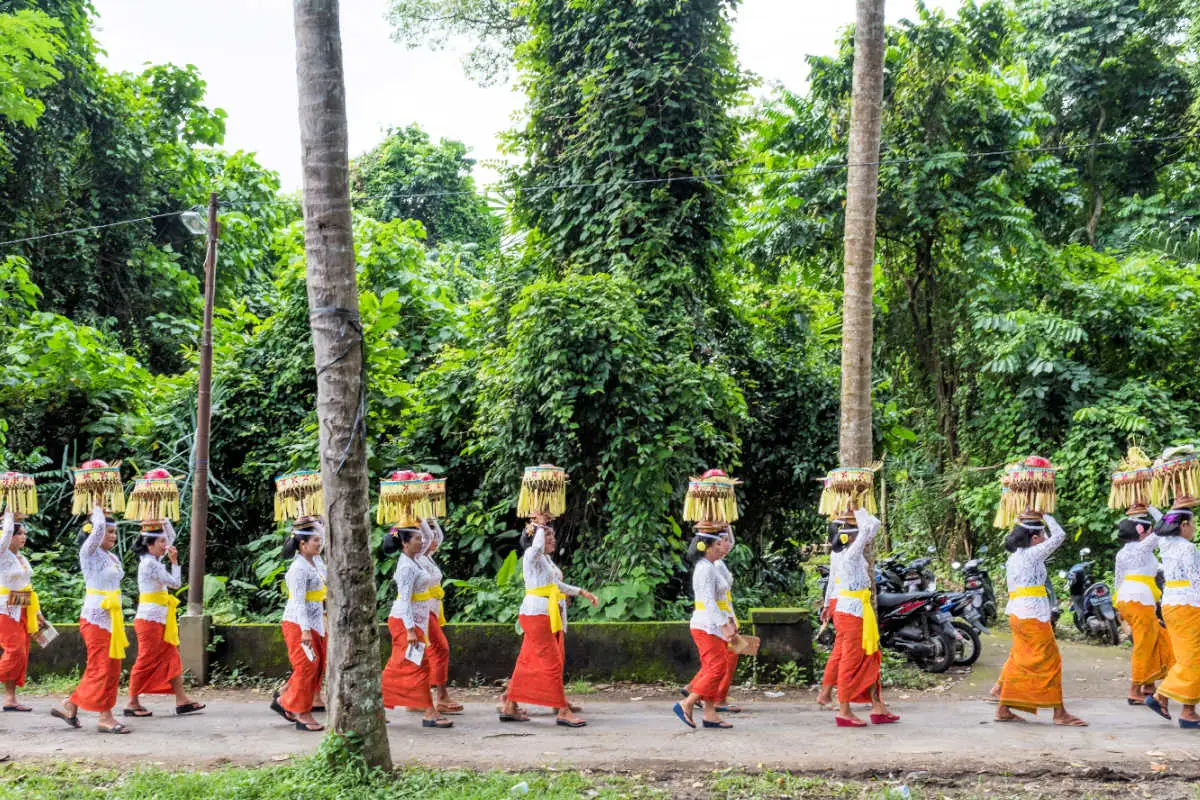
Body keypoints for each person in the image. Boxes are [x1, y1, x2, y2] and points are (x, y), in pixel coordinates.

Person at [500, 511, 598, 727]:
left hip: (545, 612)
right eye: (547, 536)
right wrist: (539, 524)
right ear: (537, 538)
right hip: (537, 614)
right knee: (552, 662)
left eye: (552, 535)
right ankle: (562, 710)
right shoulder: (531, 556)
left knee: (528, 660)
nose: (552, 539)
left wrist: (581, 592)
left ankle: (510, 704)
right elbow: (535, 548)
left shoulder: (544, 560)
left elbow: (556, 586)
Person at [994, 514, 1086, 726]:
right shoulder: (1032, 555)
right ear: (1034, 538)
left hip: (1018, 612)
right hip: (1031, 615)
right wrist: (1045, 514)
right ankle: (1059, 713)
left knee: (1021, 659)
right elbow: (1060, 535)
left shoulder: (1015, 556)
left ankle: (1003, 707)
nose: (1045, 537)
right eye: (1042, 534)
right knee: (1051, 661)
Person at [53, 507, 130, 734]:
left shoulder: (112, 557)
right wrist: (97, 508)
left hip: (112, 618)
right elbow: (96, 531)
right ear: (95, 532)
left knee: (111, 667)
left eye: (115, 533)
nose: (113, 536)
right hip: (95, 618)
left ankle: (72, 705)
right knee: (102, 667)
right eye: (108, 532)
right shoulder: (89, 552)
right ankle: (105, 717)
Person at [125, 520, 204, 717]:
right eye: (161, 542)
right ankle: (132, 702)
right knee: (145, 660)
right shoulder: (151, 564)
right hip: (149, 621)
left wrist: (162, 519)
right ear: (150, 545)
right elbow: (176, 583)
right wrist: (175, 562)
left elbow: (170, 537)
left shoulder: (153, 559)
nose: (165, 545)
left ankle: (181, 699)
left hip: (159, 619)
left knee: (172, 657)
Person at [829, 508, 896, 727]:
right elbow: (867, 528)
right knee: (851, 661)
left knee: (871, 658)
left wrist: (860, 507)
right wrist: (856, 507)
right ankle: (844, 710)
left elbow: (873, 525)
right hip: (852, 613)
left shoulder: (851, 553)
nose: (867, 540)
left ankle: (878, 706)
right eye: (862, 537)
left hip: (859, 611)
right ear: (854, 538)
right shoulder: (849, 555)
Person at [381, 525, 452, 728]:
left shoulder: (415, 561)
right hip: (405, 622)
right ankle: (429, 711)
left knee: (405, 665)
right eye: (417, 539)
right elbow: (404, 601)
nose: (422, 542)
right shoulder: (406, 567)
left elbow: (430, 537)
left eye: (421, 539)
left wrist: (419, 516)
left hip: (417, 620)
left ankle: (379, 706)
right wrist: (411, 630)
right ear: (404, 543)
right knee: (418, 665)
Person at [674, 525, 736, 729]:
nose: (723, 546)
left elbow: (720, 598)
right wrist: (724, 625)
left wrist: (728, 621)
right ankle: (688, 702)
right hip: (706, 625)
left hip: (713, 624)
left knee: (715, 667)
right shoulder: (704, 569)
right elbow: (709, 602)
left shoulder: (712, 566)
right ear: (708, 547)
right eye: (719, 543)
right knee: (717, 668)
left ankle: (710, 714)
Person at [1145, 508, 1200, 727]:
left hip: (1171, 604)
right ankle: (1162, 696)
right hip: (1189, 604)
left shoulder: (1165, 544)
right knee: (1193, 659)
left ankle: (1187, 710)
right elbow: (1196, 580)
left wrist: (1158, 506)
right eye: (1193, 523)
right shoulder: (1188, 548)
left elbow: (1162, 522)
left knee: (1187, 657)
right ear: (1183, 525)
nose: (1195, 528)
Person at [271, 517, 326, 732]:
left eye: (319, 540)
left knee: (317, 665)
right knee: (306, 667)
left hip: (316, 623)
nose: (319, 544)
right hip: (298, 624)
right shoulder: (298, 569)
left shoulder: (317, 563)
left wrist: (315, 521)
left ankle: (285, 700)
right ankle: (302, 712)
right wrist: (304, 630)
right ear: (302, 545)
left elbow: (325, 538)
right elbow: (299, 603)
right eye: (314, 541)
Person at [1114, 511, 1173, 705]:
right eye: (1148, 531)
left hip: (1126, 598)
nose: (1150, 534)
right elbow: (1165, 524)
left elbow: (1117, 580)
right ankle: (1135, 689)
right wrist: (1152, 508)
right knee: (1144, 644)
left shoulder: (1123, 552)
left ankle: (1148, 685)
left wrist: (1117, 607)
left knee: (1158, 639)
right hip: (1139, 600)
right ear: (1141, 533)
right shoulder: (1142, 548)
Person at [418, 518, 462, 715]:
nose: (434, 540)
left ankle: (421, 695)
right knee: (440, 648)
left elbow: (440, 537)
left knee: (431, 651)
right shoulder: (417, 556)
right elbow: (427, 537)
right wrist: (421, 519)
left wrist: (431, 517)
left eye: (435, 536)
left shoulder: (428, 557)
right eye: (430, 537)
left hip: (434, 608)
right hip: (423, 609)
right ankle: (441, 695)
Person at [0, 511, 43, 712]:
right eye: (20, 533)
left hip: (23, 605)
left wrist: (37, 612)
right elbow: (7, 531)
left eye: (24, 533)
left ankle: (10, 698)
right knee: (14, 649)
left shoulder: (21, 557)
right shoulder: (1, 553)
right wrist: (8, 512)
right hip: (5, 607)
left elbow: (27, 585)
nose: (23, 537)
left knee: (22, 651)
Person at [816, 523, 846, 710]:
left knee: (841, 650)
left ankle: (828, 693)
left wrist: (827, 604)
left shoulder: (836, 554)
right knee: (843, 650)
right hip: (846, 603)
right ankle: (828, 693)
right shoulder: (846, 553)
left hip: (836, 600)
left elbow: (831, 581)